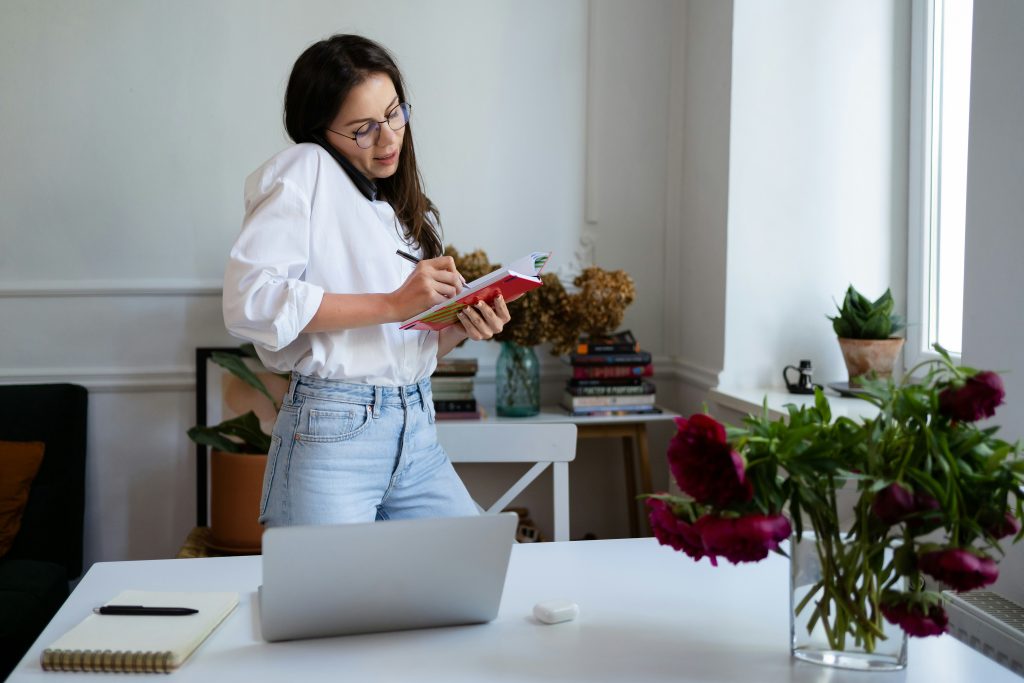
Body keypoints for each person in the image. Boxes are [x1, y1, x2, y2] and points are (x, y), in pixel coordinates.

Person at [222, 34, 511, 528]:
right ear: (320, 131)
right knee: (331, 602)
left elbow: (390, 348)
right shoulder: (304, 169)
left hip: (417, 430)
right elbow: (250, 302)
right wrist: (394, 303)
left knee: (475, 576)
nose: (389, 137)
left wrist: (459, 326)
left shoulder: (401, 209)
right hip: (334, 434)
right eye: (363, 129)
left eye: (395, 113)